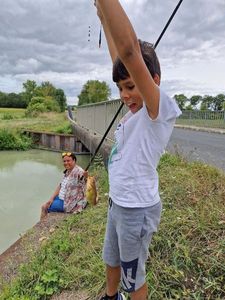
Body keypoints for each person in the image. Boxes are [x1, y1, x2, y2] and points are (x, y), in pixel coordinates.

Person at [94, 1, 182, 300]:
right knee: (111, 257)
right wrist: (103, 16)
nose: (124, 95)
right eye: (120, 88)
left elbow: (129, 51)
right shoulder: (134, 113)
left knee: (133, 275)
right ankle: (110, 296)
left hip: (137, 210)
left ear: (152, 82)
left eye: (131, 86)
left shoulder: (157, 111)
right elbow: (120, 57)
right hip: (117, 203)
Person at [40, 152, 88, 220]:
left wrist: (86, 177)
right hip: (61, 198)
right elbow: (60, 185)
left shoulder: (79, 171)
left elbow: (85, 181)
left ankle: (43, 227)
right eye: (64, 161)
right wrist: (51, 198)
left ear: (74, 161)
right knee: (48, 202)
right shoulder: (68, 171)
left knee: (44, 207)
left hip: (68, 203)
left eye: (68, 161)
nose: (66, 163)